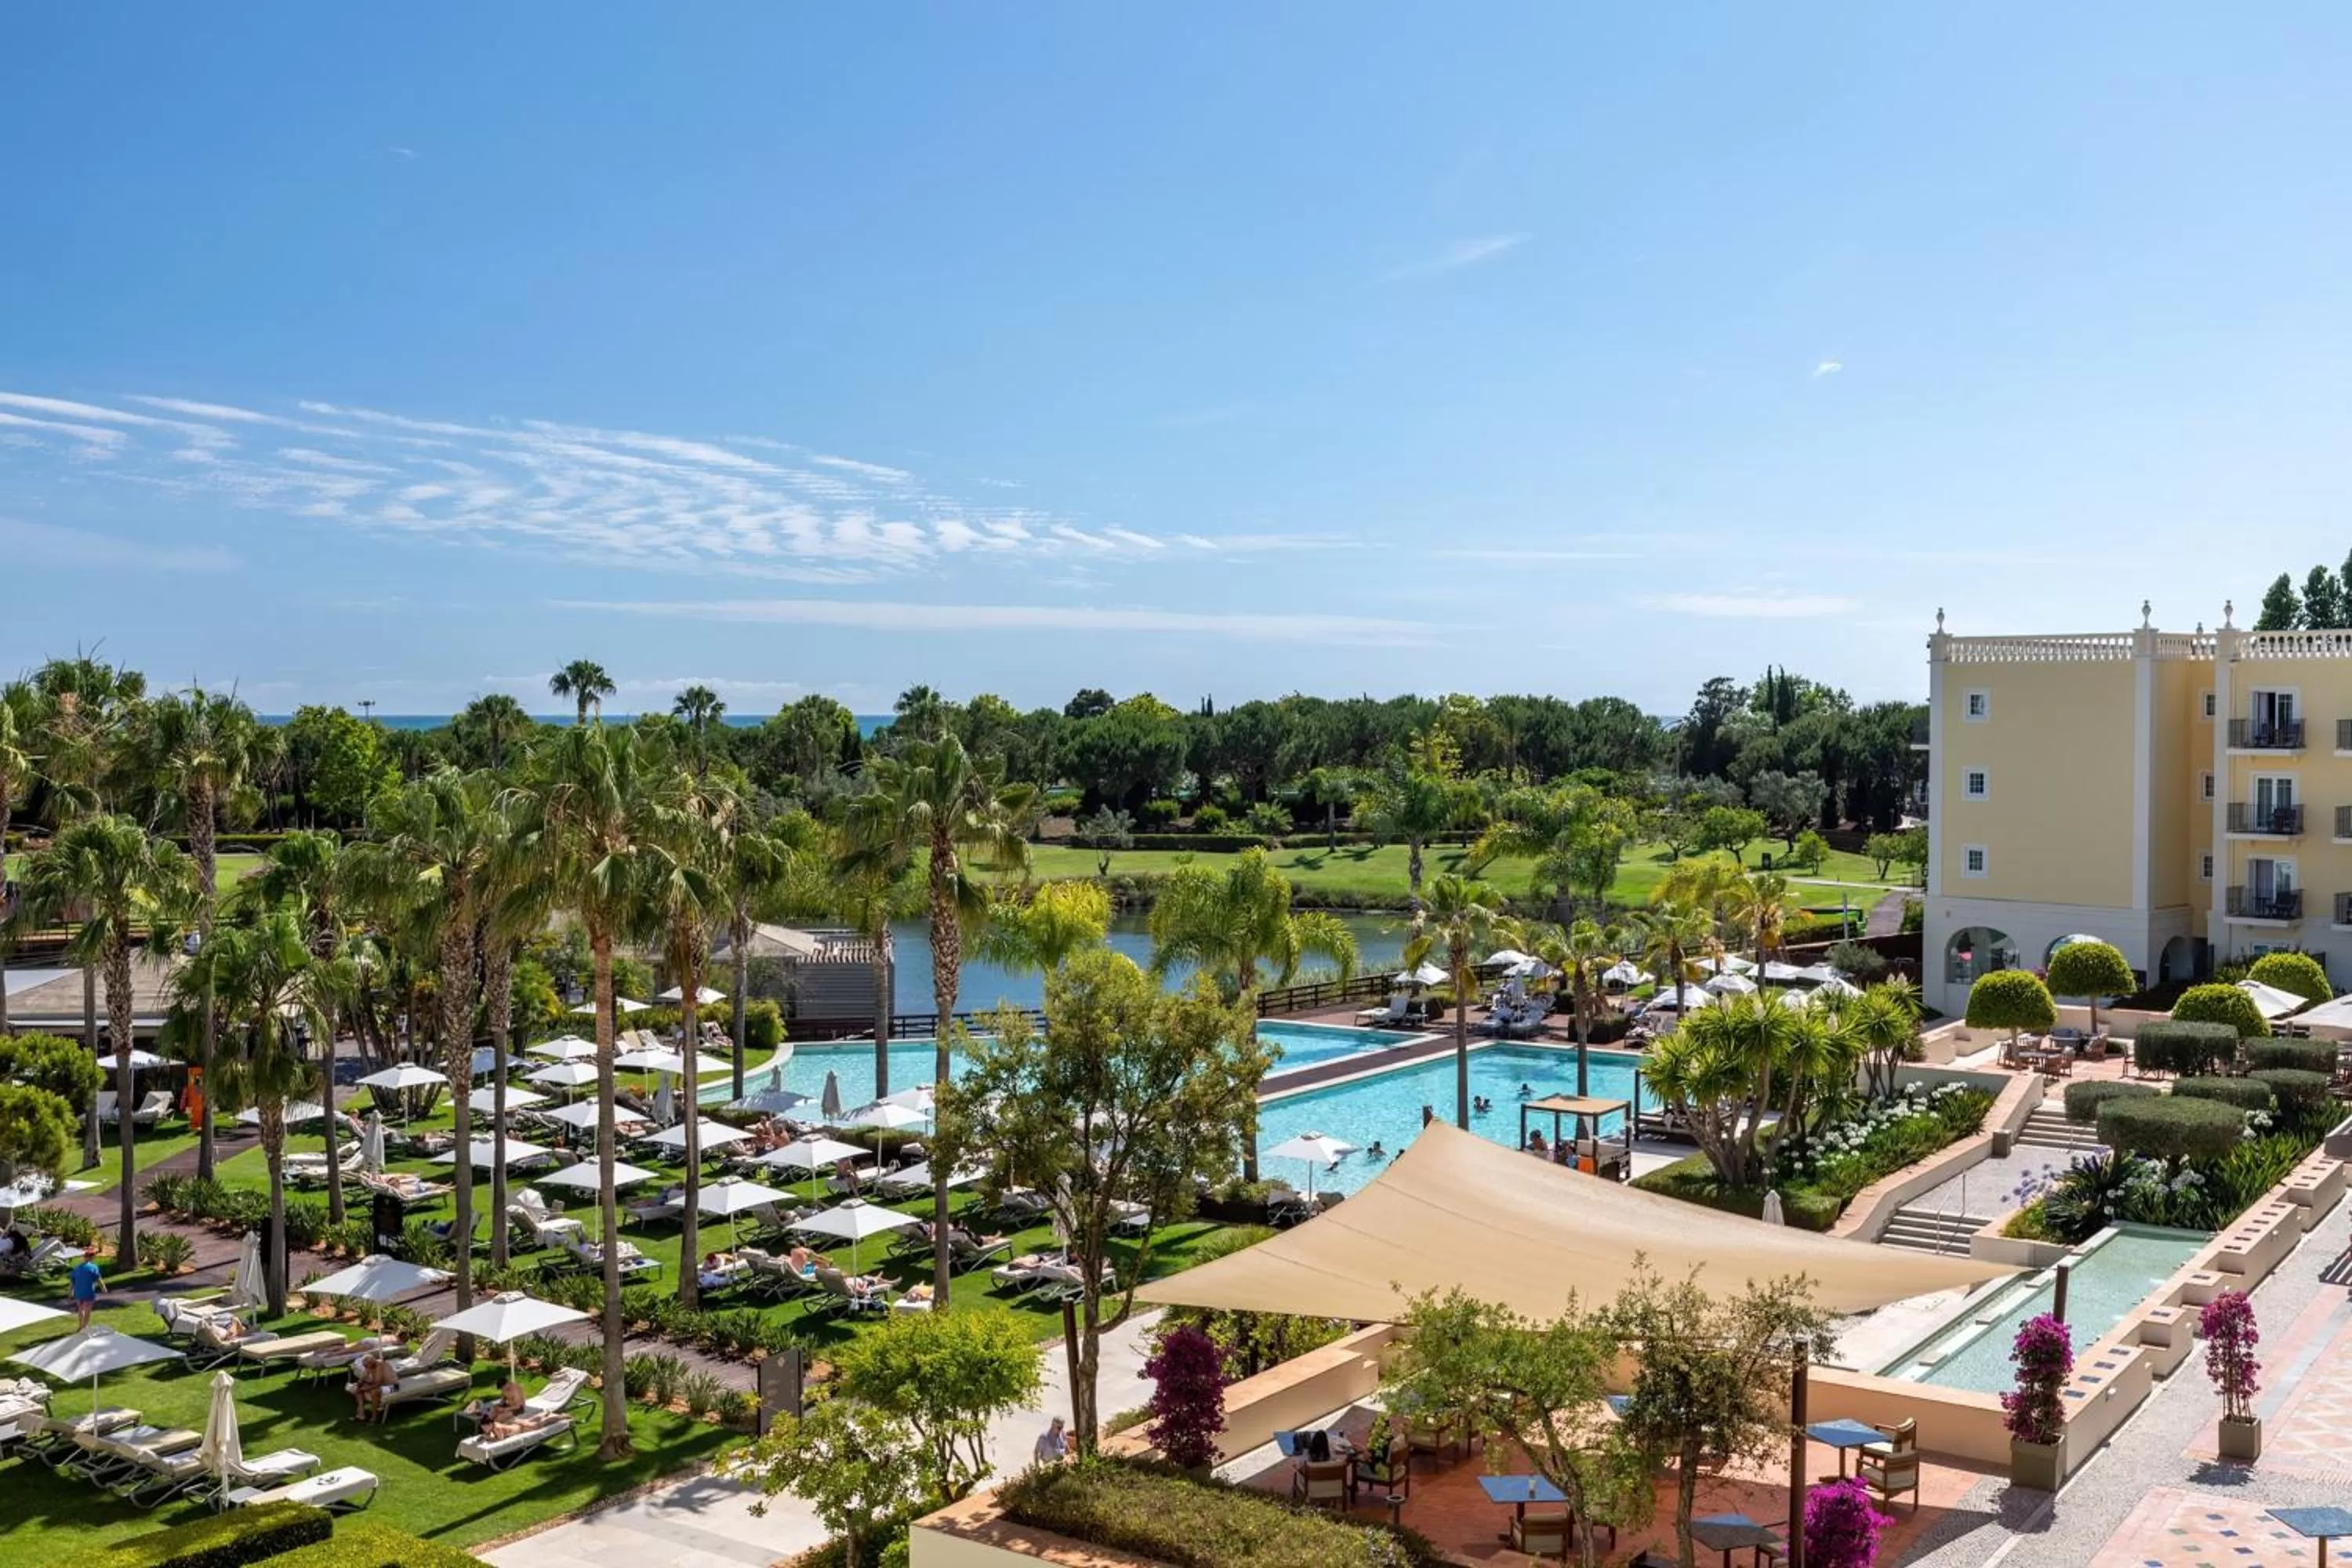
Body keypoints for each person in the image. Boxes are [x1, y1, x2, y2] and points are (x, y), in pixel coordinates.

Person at [351, 1344, 401, 1421]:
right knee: (358, 1389)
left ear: (372, 1363)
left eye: (367, 1366)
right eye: (365, 1366)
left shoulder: (380, 1365)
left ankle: (374, 1417)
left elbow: (377, 1383)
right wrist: (360, 1383)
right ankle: (361, 1414)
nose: (366, 1368)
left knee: (375, 1392)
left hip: (393, 1386)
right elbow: (363, 1377)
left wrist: (366, 1387)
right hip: (382, 1385)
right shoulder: (369, 1366)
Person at [67, 1254, 103, 1329]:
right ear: (92, 1258)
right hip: (88, 1292)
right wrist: (103, 1288)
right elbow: (98, 1279)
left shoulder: (77, 1268)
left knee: (81, 1310)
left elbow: (72, 1283)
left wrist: (70, 1293)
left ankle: (81, 1326)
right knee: (87, 1310)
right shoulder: (93, 1267)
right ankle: (85, 1327)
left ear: (84, 1258)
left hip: (78, 1293)